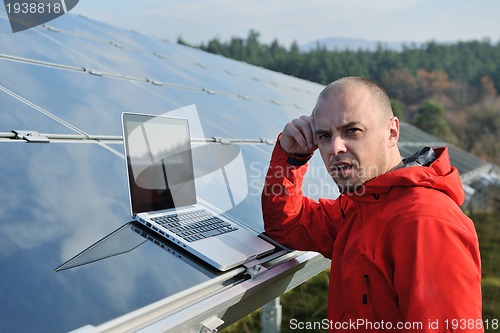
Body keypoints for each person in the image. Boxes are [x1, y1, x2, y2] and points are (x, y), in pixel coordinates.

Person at [261, 77, 482, 332]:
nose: (334, 148)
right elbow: (288, 226)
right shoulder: (362, 206)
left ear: (392, 132)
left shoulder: (424, 222)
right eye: (324, 135)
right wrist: (291, 159)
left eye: (352, 130)